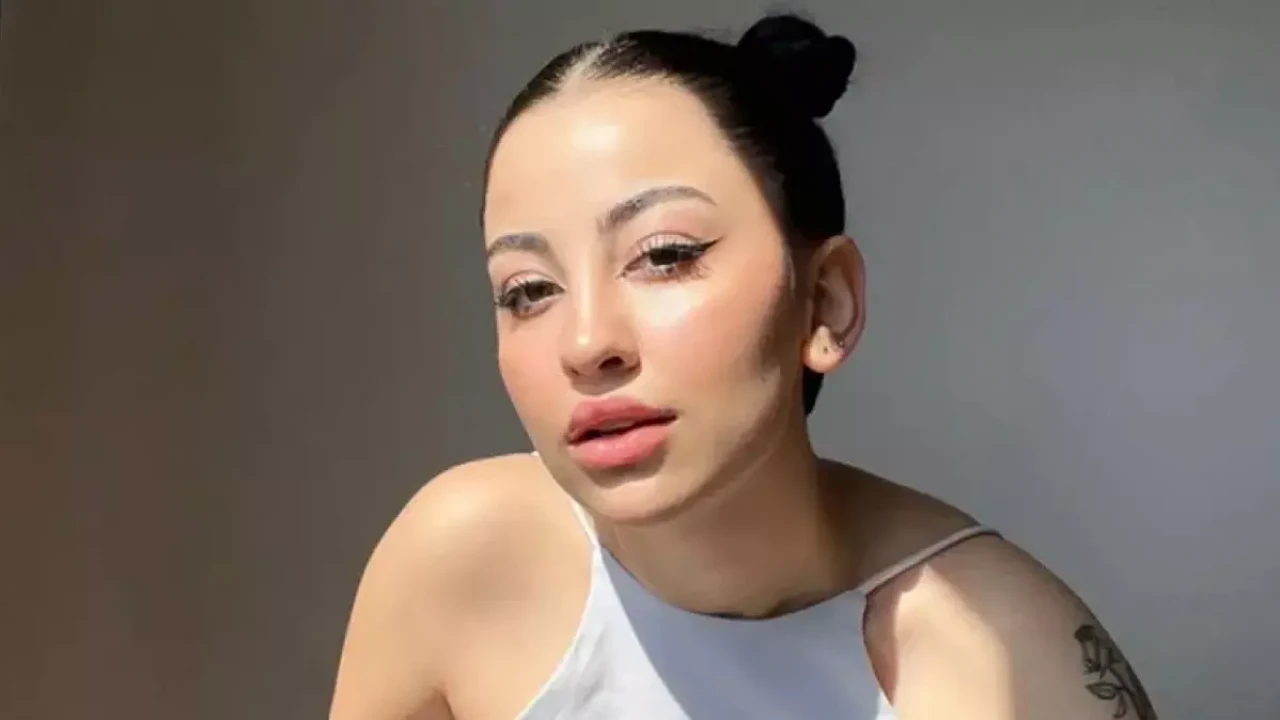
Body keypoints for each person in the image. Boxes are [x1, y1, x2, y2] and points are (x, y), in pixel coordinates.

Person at [330, 13, 1157, 720]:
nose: (586, 343)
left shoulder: (1007, 661)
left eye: (664, 255)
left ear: (826, 301)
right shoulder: (464, 560)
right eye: (528, 290)